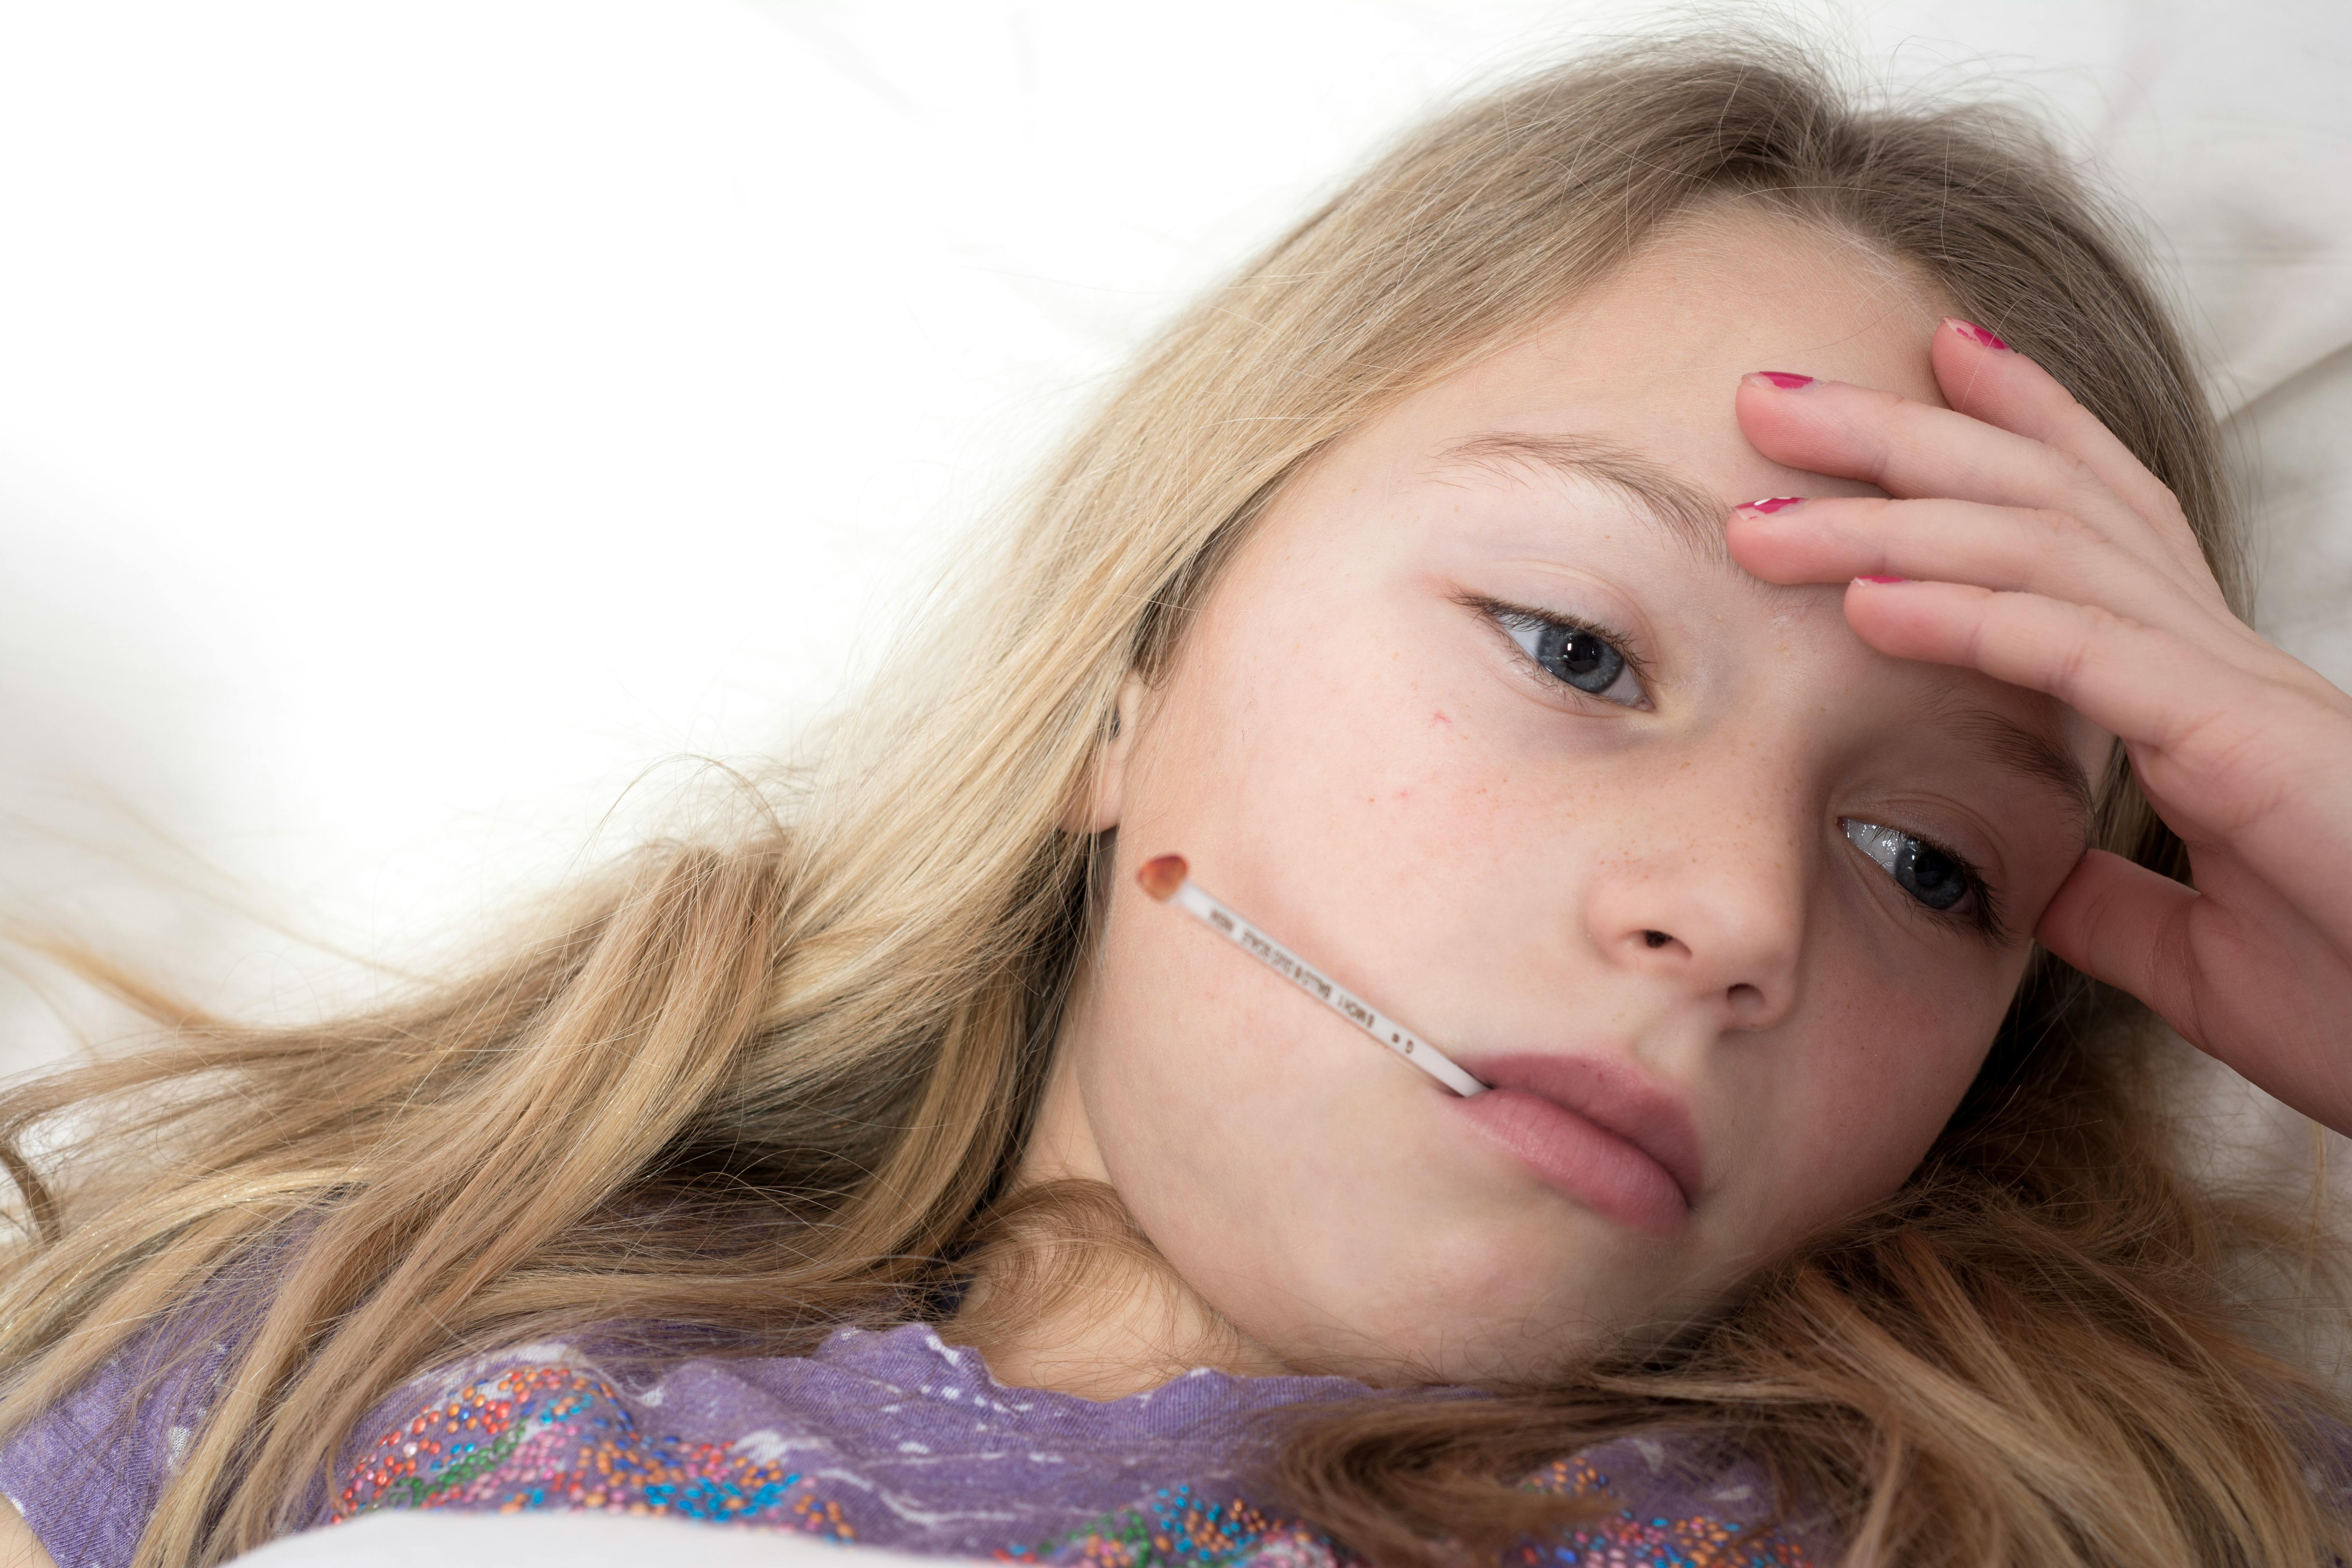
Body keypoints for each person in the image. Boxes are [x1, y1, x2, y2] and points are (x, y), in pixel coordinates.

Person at [3, 34, 2350, 1568]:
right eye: (1573, 649)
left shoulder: (2039, 1519)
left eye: (1932, 863)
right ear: (1133, 676)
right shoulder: (342, 1334)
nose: (1736, 910)